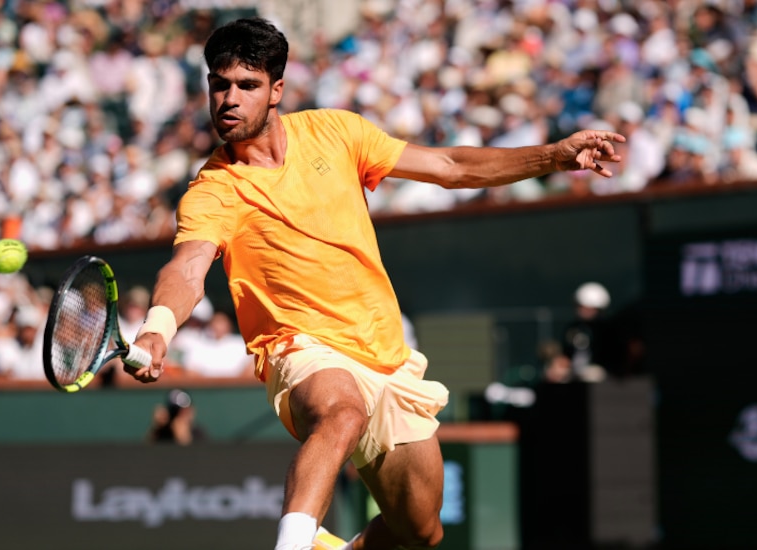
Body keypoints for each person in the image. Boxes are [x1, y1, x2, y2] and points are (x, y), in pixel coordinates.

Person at [124, 18, 625, 550]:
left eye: (245, 85)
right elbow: (185, 269)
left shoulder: (338, 132)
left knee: (420, 530)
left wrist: (553, 156)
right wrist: (158, 328)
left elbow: (451, 165)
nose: (228, 98)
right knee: (343, 411)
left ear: (276, 91)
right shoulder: (211, 192)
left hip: (384, 351)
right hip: (302, 348)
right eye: (218, 85)